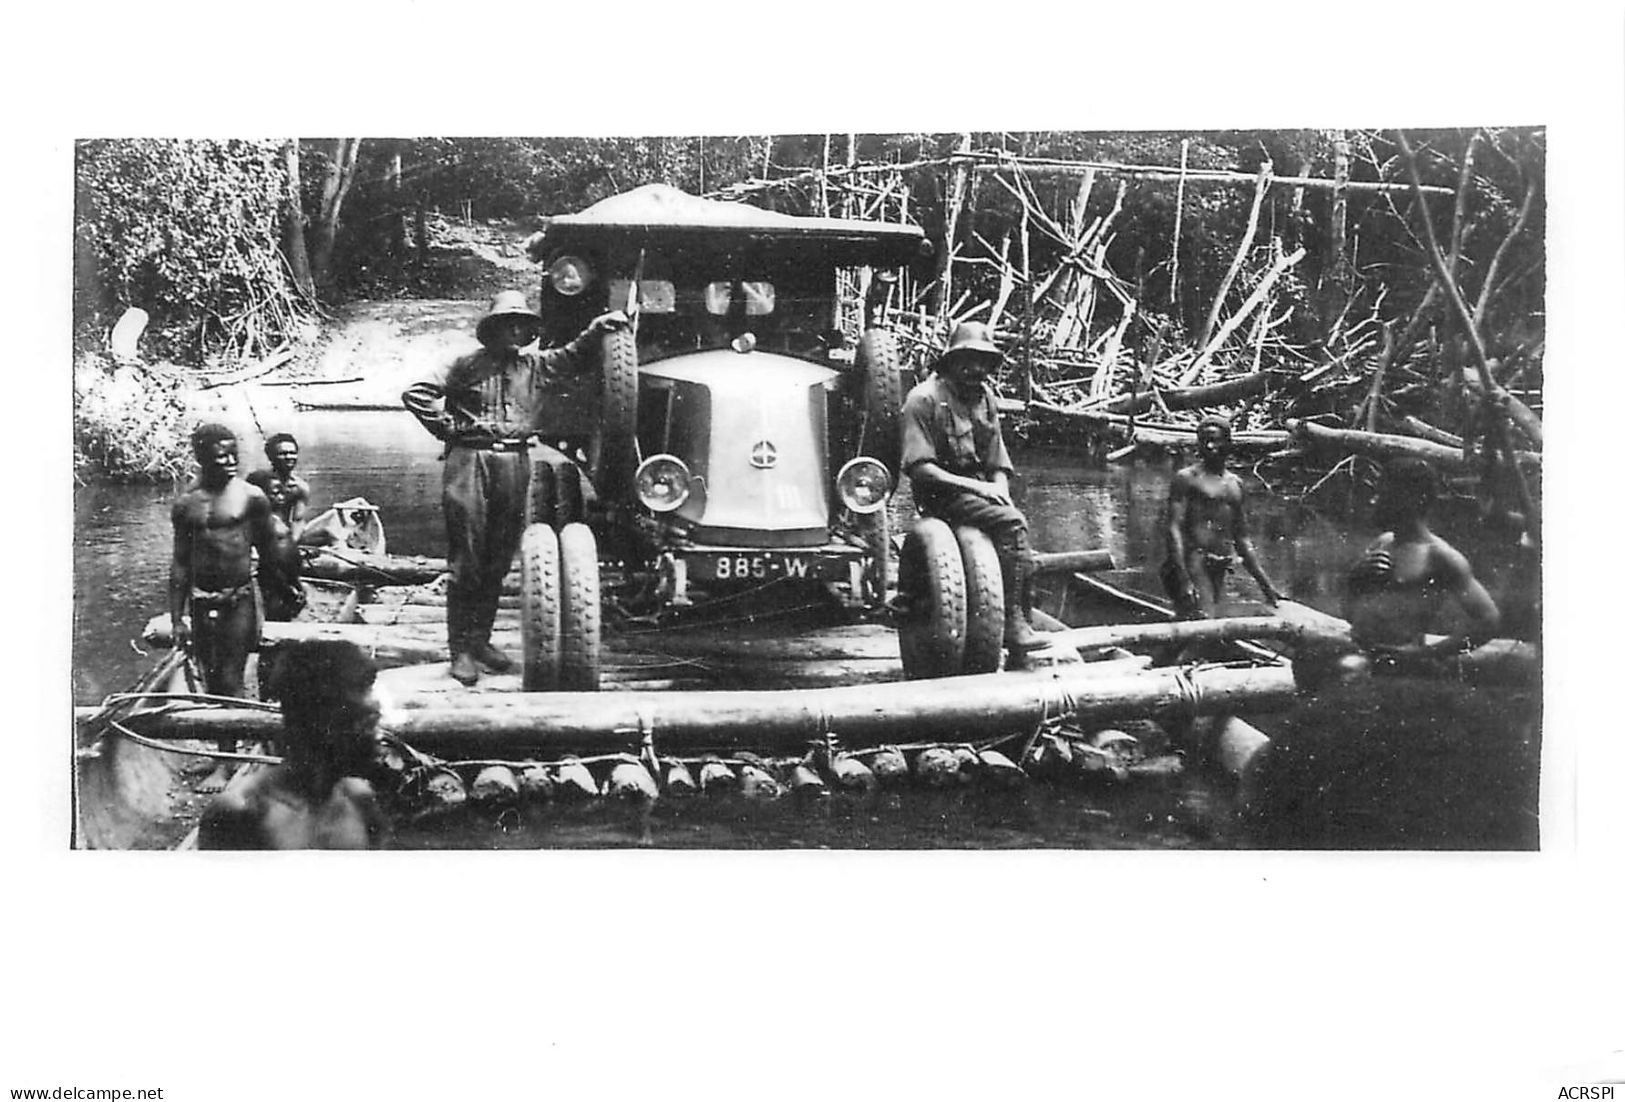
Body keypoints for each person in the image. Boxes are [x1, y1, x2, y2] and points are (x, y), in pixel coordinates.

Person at [402, 290, 628, 685]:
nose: (515, 330)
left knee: (499, 556)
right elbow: (417, 392)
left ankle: (482, 639)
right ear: (491, 330)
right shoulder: (463, 364)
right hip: (470, 462)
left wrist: (596, 329)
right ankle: (461, 651)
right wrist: (448, 429)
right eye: (507, 323)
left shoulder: (535, 367)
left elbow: (575, 355)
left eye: (521, 324)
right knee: (467, 558)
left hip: (515, 462)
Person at [899, 321, 1047, 656]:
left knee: (1014, 520)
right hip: (941, 495)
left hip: (976, 493)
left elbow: (998, 462)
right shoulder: (923, 400)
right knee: (1011, 524)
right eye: (967, 360)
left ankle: (1021, 611)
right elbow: (920, 469)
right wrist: (978, 490)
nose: (975, 370)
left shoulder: (985, 399)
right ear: (950, 362)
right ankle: (1013, 624)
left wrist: (1000, 490)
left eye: (983, 362)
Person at [170, 423, 279, 792]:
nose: (230, 462)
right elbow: (181, 564)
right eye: (220, 458)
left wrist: (281, 594)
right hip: (203, 601)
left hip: (240, 598)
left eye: (234, 454)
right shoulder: (187, 505)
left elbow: (271, 552)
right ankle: (226, 746)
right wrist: (176, 617)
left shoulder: (252, 498)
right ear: (201, 460)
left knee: (230, 677)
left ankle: (226, 763)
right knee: (211, 676)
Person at [197, 639, 389, 849]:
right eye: (361, 726)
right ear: (320, 717)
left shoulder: (360, 801)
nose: (373, 741)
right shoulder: (244, 810)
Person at [1343, 457, 1500, 671]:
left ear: (1408, 499)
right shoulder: (1383, 542)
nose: (1373, 502)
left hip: (1398, 668)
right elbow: (1351, 614)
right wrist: (1355, 578)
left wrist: (1423, 654)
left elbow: (1488, 620)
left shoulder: (1440, 556)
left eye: (1382, 494)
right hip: (1360, 654)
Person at [1161, 413, 1282, 618]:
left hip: (1218, 566)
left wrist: (1265, 584)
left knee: (1205, 622)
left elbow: (1242, 539)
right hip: (1192, 562)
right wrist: (1183, 578)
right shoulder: (1187, 479)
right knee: (1204, 620)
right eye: (1204, 441)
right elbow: (1174, 529)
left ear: (1228, 444)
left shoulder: (1236, 484)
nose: (1209, 446)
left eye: (1215, 440)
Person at [245, 432, 310, 622]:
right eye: (282, 454)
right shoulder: (258, 481)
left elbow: (298, 520)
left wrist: (291, 545)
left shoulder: (300, 487)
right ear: (271, 457)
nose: (289, 457)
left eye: (292, 453)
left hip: (283, 538)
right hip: (261, 540)